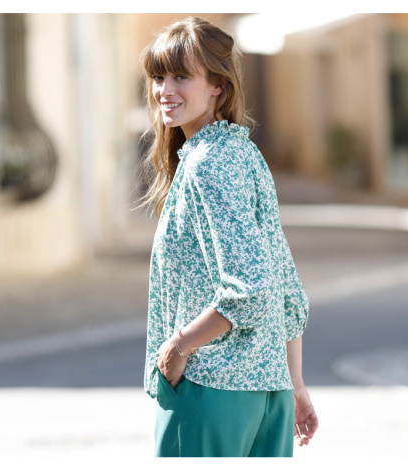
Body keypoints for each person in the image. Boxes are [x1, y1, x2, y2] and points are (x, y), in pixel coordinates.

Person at [136, 16, 318, 457]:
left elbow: (249, 289)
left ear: (218, 85)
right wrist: (294, 383)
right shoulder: (243, 153)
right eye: (159, 76)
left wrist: (177, 348)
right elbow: (285, 287)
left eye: (182, 76)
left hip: (210, 391)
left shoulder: (207, 163)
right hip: (269, 396)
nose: (165, 90)